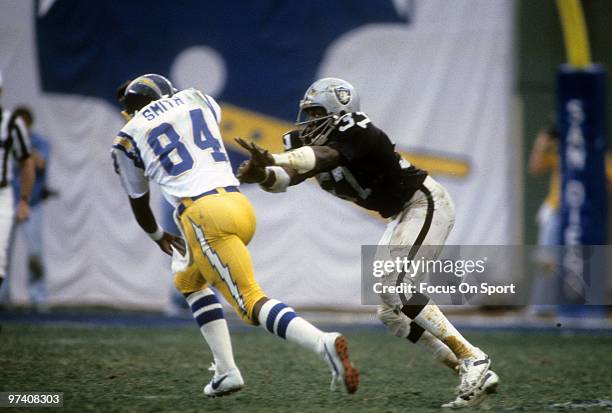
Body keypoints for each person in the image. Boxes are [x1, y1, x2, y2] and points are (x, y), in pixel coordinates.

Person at [236, 77, 498, 408]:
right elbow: (284, 180)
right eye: (307, 113)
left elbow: (321, 158)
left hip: (423, 202)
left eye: (317, 113)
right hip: (401, 214)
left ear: (340, 111)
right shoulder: (306, 146)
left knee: (397, 286)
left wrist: (274, 158)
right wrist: (260, 174)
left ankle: (473, 358)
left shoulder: (357, 130)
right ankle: (465, 367)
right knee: (390, 312)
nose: (308, 122)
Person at [110, 74, 359, 397]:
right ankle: (226, 371)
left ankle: (322, 343)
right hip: (238, 204)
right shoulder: (197, 99)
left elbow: (139, 201)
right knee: (188, 280)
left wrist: (158, 235)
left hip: (203, 214)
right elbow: (178, 115)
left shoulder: (127, 136)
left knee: (250, 301)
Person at [11, 106, 55, 308]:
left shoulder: (39, 143)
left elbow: (40, 163)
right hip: (7, 202)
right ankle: (2, 297)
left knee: (35, 253)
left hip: (32, 203)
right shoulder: (7, 143)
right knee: (2, 253)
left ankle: (38, 297)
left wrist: (24, 145)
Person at [0, 71, 35, 298]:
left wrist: (23, 199)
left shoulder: (12, 123)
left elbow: (26, 162)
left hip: (2, 194)